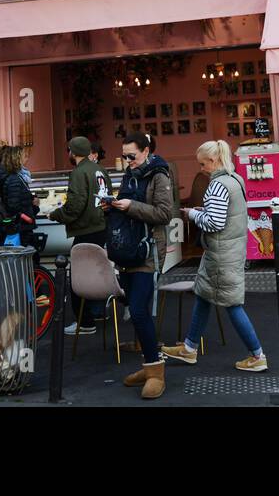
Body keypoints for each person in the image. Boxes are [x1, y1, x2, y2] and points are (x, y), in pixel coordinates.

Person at [162, 140, 268, 372]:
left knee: (231, 304)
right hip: (230, 251)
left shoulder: (217, 185)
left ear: (213, 160)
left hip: (221, 255)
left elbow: (214, 222)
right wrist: (203, 211)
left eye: (202, 163)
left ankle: (257, 355)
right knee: (203, 296)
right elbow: (226, 215)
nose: (200, 168)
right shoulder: (236, 180)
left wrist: (192, 214)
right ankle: (189, 348)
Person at [107, 131, 173, 400]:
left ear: (146, 151)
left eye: (131, 156)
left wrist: (130, 206)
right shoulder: (130, 173)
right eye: (124, 156)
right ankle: (149, 366)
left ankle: (156, 371)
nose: (127, 160)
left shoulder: (159, 174)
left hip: (148, 253)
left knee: (137, 310)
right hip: (129, 250)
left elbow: (165, 213)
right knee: (136, 310)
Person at [51, 136, 111, 335]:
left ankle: (85, 322)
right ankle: (98, 312)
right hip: (101, 227)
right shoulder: (99, 169)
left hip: (85, 229)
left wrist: (56, 214)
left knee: (78, 277)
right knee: (97, 272)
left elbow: (75, 205)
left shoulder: (78, 172)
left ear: (73, 151)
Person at [0, 145, 38, 247]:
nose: (26, 158)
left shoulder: (15, 177)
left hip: (19, 225)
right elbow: (14, 206)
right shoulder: (14, 179)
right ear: (17, 159)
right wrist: (33, 206)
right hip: (21, 226)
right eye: (24, 156)